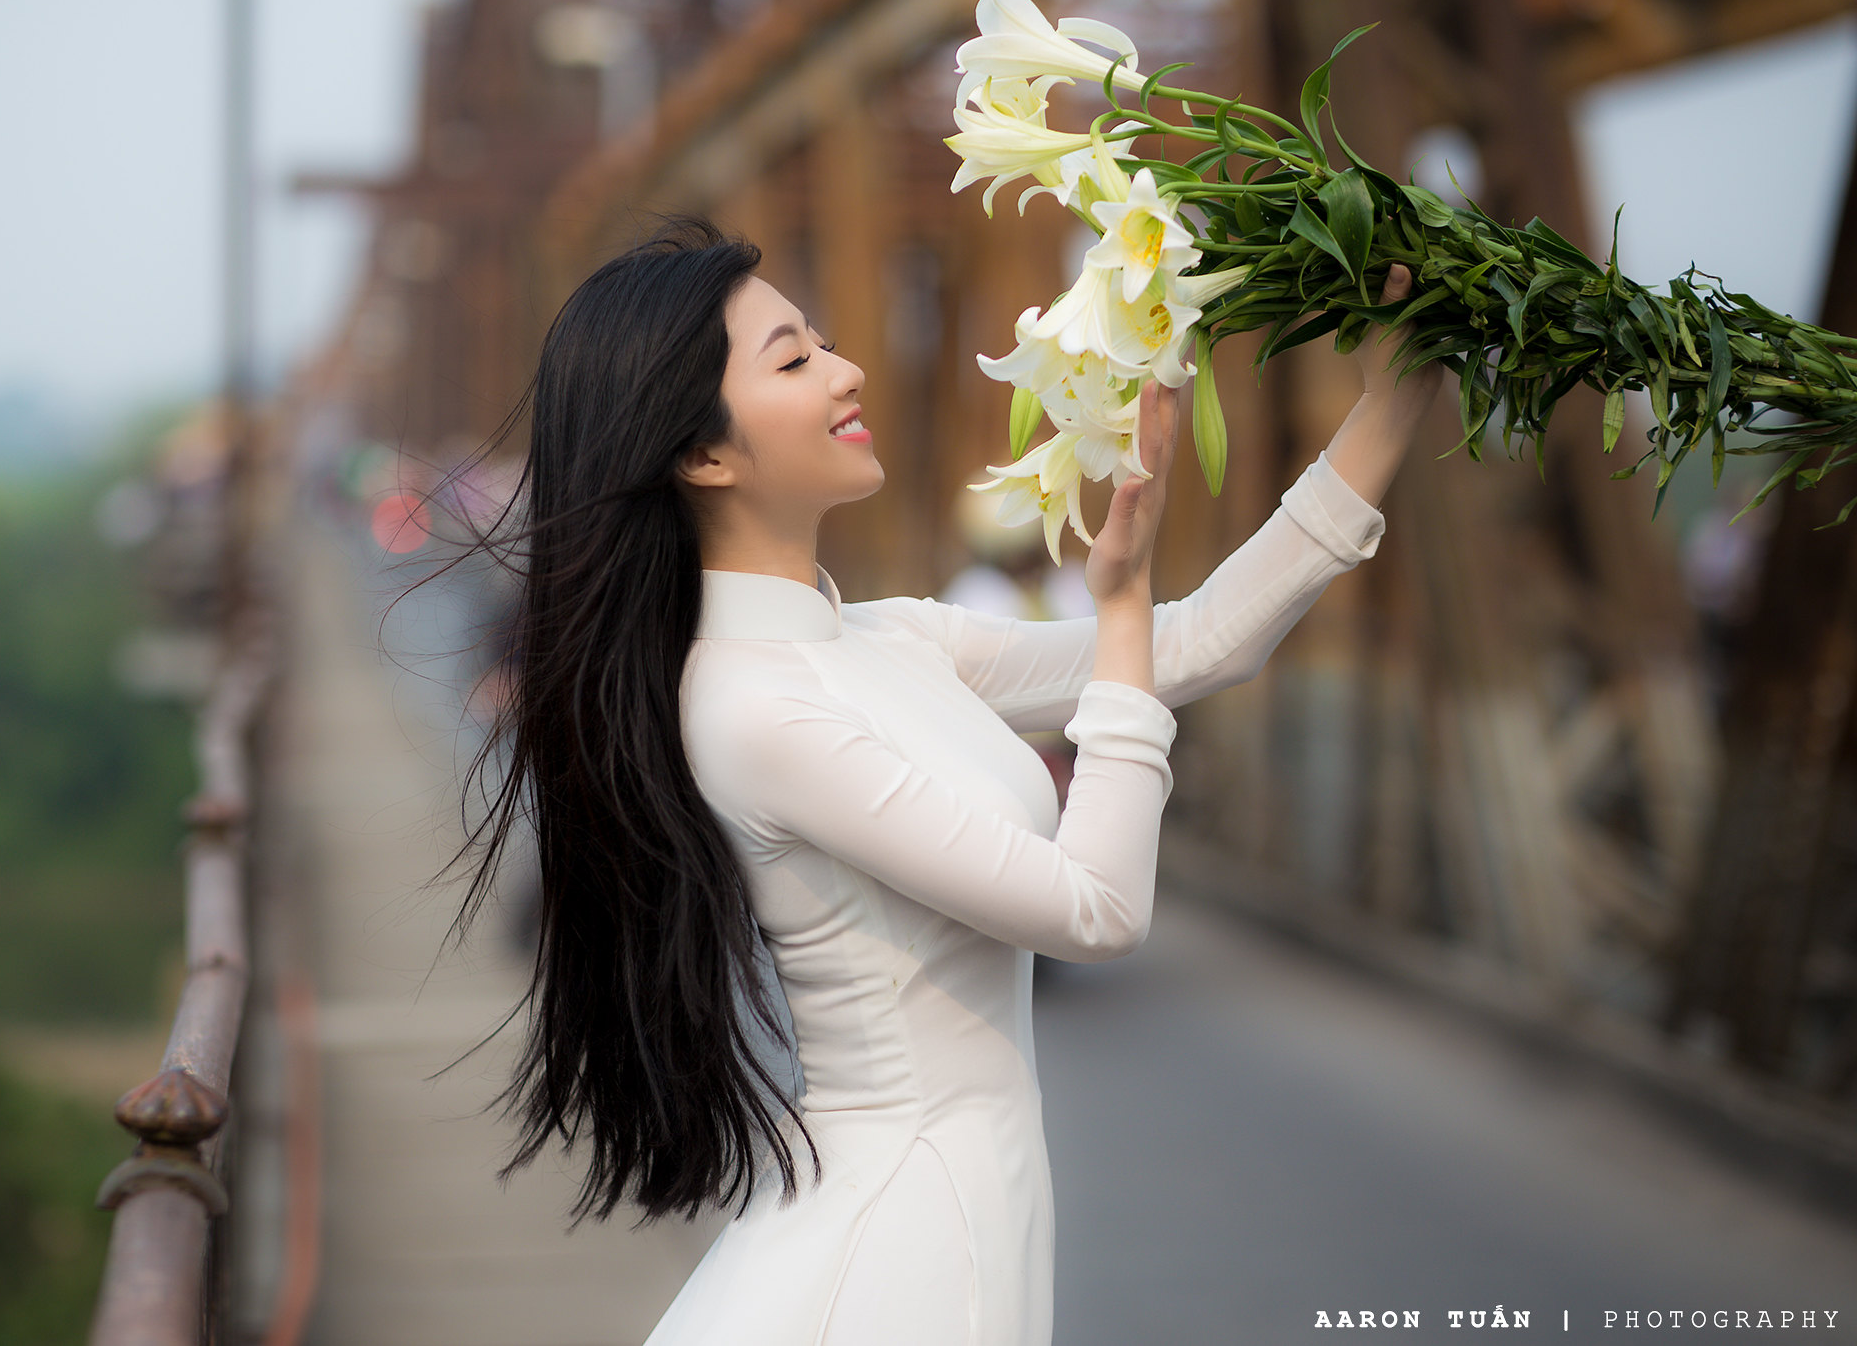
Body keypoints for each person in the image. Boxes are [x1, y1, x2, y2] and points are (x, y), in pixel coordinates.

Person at [437, 213, 1438, 1346]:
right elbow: (1094, 912)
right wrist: (1112, 610)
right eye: (795, 358)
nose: (847, 367)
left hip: (946, 1199)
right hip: (905, 1242)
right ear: (703, 455)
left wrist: (1385, 407)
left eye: (818, 340)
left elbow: (1202, 639)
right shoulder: (752, 707)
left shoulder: (883, 641)